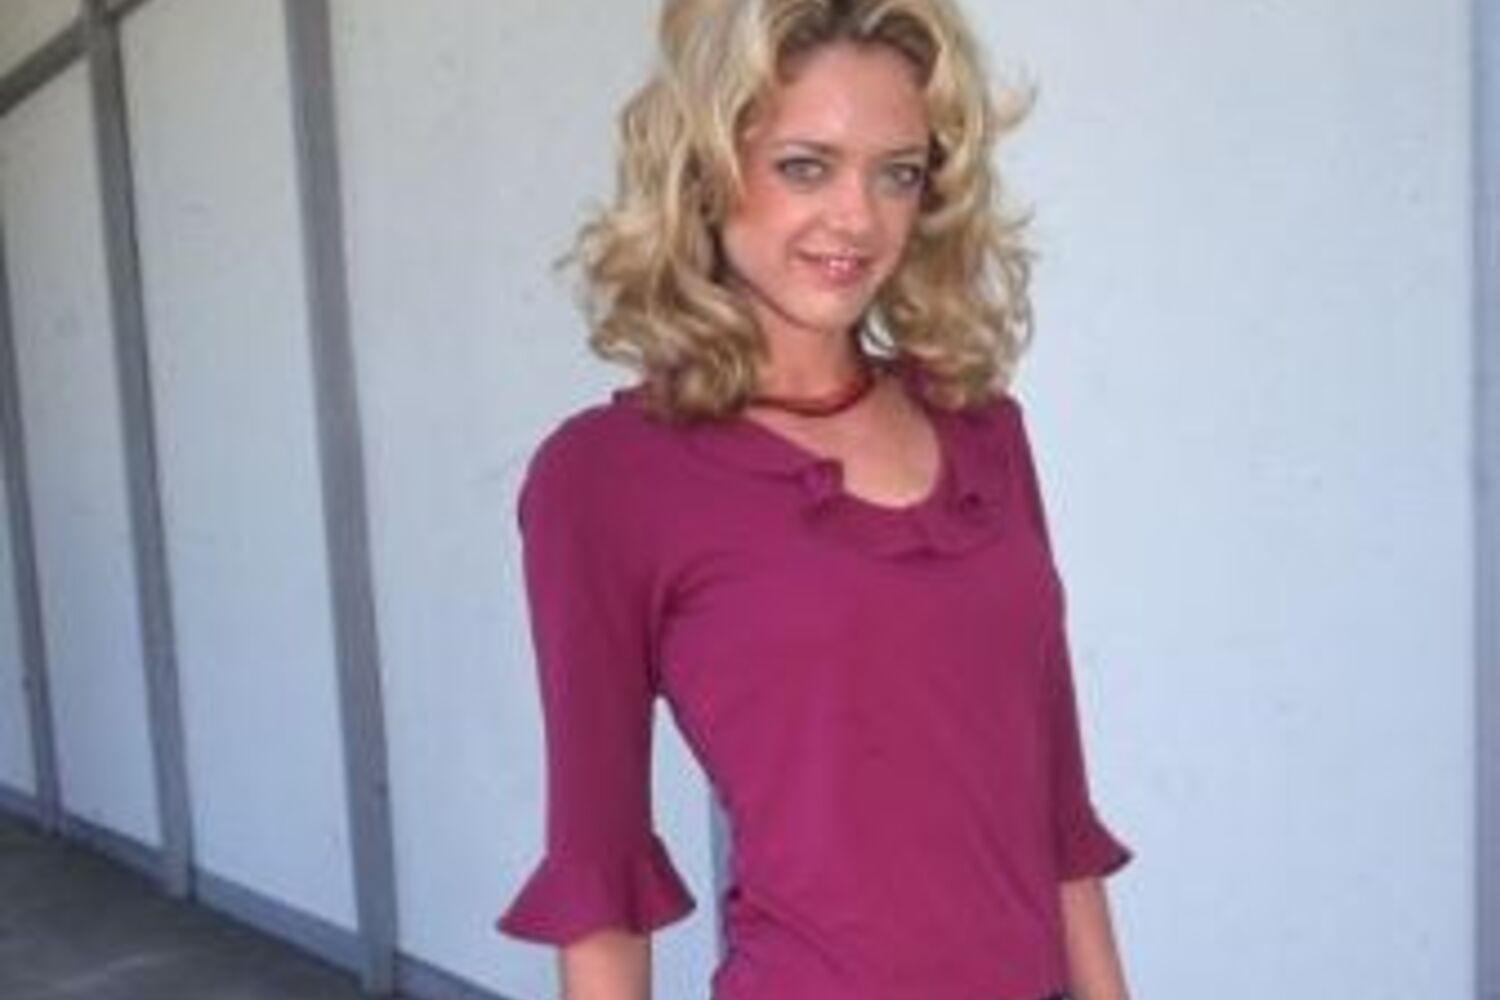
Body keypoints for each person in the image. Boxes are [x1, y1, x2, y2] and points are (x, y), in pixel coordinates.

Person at [496, 1, 1135, 998]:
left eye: (898, 172)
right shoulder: (608, 479)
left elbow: (1057, 817)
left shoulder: (983, 431)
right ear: (707, 170)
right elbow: (598, 869)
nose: (858, 218)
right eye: (805, 166)